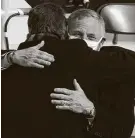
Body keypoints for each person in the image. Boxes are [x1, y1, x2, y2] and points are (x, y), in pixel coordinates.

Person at [2, 4, 135, 138]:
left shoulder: (117, 67)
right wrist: (10, 57)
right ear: (64, 34)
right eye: (77, 35)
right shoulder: (27, 56)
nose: (83, 41)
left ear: (101, 43)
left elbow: (121, 130)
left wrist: (91, 110)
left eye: (91, 37)